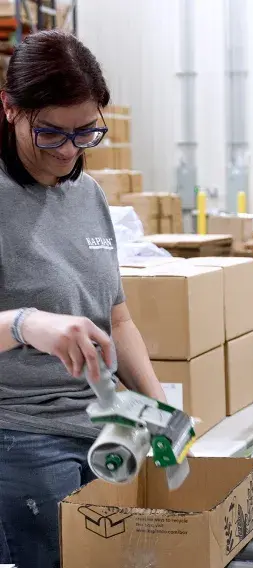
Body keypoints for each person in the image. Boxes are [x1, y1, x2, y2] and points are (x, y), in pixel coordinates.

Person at [0, 30, 167, 568]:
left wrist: (161, 409)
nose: (70, 151)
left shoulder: (87, 193)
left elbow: (117, 318)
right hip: (22, 432)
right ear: (9, 108)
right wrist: (27, 324)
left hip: (105, 422)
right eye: (50, 134)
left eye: (86, 133)